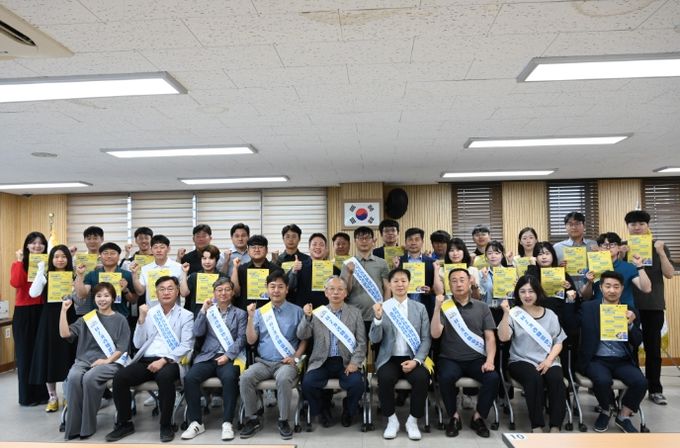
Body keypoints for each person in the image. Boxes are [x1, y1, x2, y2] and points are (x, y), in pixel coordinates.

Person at [105, 276, 194, 443]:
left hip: (171, 361)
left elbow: (186, 345)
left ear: (177, 292)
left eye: (170, 288)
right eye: (162, 289)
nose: (166, 292)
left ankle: (166, 425)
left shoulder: (186, 315)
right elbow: (138, 343)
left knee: (165, 377)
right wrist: (141, 320)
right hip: (146, 360)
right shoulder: (150, 313)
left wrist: (164, 360)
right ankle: (124, 423)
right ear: (156, 293)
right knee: (120, 378)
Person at [564, 271, 647, 433]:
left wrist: (630, 325)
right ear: (601, 288)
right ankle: (606, 409)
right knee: (602, 380)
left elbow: (637, 341)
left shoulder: (629, 310)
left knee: (641, 382)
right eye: (608, 286)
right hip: (596, 359)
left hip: (622, 360)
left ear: (622, 289)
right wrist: (570, 301)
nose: (612, 290)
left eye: (616, 287)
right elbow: (571, 326)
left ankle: (623, 415)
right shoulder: (588, 308)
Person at [239, 271, 307, 440]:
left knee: (283, 379)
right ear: (267, 289)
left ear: (287, 289)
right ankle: (252, 419)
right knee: (245, 377)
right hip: (263, 362)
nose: (276, 290)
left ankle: (283, 420)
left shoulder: (297, 311)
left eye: (280, 287)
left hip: (286, 363)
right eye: (272, 286)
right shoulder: (260, 312)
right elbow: (251, 340)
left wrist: (296, 357)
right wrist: (250, 318)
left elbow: (304, 340)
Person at [431, 268, 498, 438]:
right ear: (449, 285)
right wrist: (437, 309)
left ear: (470, 283)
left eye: (462, 280)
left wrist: (490, 360)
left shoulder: (482, 307)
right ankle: (454, 416)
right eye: (454, 281)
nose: (458, 284)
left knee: (492, 377)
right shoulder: (445, 306)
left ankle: (478, 417)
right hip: (450, 359)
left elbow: (490, 338)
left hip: (477, 359)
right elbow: (435, 334)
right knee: (445, 377)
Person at [60, 282, 130, 440]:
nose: (102, 299)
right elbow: (65, 334)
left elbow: (122, 348)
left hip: (112, 362)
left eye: (106, 296)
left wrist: (106, 361)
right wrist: (63, 311)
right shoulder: (88, 318)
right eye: (99, 296)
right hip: (84, 361)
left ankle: (87, 426)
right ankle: (73, 427)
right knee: (73, 377)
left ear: (113, 298)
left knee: (90, 378)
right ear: (94, 298)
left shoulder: (120, 319)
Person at [181, 278, 247, 441]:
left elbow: (241, 339)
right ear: (214, 293)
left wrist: (228, 355)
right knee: (190, 378)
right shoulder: (209, 311)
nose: (223, 293)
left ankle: (227, 423)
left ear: (232, 292)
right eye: (219, 290)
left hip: (229, 357)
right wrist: (203, 310)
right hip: (207, 356)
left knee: (230, 378)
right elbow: (197, 332)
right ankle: (196, 422)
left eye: (227, 289)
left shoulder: (240, 313)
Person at [498, 275, 566, 433]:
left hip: (548, 359)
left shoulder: (550, 314)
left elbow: (558, 342)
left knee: (556, 379)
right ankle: (537, 425)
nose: (527, 295)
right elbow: (503, 337)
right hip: (521, 360)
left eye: (531, 291)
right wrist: (506, 314)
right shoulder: (514, 313)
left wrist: (549, 361)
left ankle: (555, 426)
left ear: (538, 292)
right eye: (522, 291)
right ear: (517, 293)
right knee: (534, 378)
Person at [297, 276, 366, 429]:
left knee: (357, 384)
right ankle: (322, 409)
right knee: (308, 383)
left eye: (340, 289)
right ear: (326, 292)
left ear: (345, 293)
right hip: (322, 361)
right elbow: (302, 335)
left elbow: (361, 343)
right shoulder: (318, 313)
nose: (336, 292)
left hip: (346, 362)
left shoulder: (355, 313)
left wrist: (355, 362)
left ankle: (348, 410)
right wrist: (306, 318)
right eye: (332, 289)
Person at [371, 268, 431, 441]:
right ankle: (392, 420)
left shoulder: (420, 308)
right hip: (389, 358)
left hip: (413, 357)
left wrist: (417, 361)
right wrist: (378, 319)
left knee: (422, 378)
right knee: (384, 377)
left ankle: (413, 421)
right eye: (395, 281)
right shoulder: (383, 307)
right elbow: (374, 339)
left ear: (409, 284)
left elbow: (426, 338)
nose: (400, 284)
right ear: (389, 285)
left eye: (403, 281)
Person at [624, 210, 674, 405]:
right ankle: (633, 387)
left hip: (653, 305)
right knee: (630, 348)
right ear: (627, 227)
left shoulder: (659, 246)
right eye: (633, 224)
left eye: (641, 224)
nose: (637, 227)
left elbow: (669, 274)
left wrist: (661, 252)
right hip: (629, 306)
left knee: (653, 349)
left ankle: (655, 389)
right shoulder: (623, 247)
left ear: (647, 226)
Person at [29, 244, 77, 413]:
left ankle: (68, 396)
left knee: (68, 357)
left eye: (63, 256)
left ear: (68, 259)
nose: (60, 259)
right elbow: (33, 293)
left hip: (69, 317)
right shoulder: (45, 275)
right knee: (48, 357)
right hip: (49, 319)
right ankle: (52, 397)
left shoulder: (74, 275)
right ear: (51, 259)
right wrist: (40, 271)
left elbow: (80, 297)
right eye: (56, 256)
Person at [10, 231, 50, 406]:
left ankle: (42, 394)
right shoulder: (18, 263)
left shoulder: (47, 263)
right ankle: (26, 397)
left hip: (42, 310)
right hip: (24, 312)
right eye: (33, 243)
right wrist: (20, 261)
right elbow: (16, 283)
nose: (37, 246)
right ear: (27, 245)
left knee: (40, 353)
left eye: (40, 243)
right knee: (25, 354)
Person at [340, 226, 391, 338]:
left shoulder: (382, 263)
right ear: (355, 241)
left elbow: (387, 287)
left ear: (373, 241)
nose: (364, 241)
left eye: (367, 238)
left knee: (377, 345)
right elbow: (344, 292)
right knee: (358, 347)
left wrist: (385, 309)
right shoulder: (347, 264)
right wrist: (349, 274)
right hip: (354, 314)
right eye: (360, 238)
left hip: (377, 314)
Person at [582, 232, 652, 307]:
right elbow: (586, 297)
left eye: (612, 244)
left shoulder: (628, 267)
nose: (608, 247)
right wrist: (589, 282)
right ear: (599, 248)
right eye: (604, 245)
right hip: (600, 309)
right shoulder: (591, 268)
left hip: (625, 310)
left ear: (619, 248)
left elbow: (646, 289)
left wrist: (640, 266)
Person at [74, 242, 137, 317]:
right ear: (100, 256)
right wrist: (80, 275)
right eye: (105, 253)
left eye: (113, 253)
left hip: (121, 317)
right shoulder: (92, 274)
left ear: (118, 257)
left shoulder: (127, 275)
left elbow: (134, 301)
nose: (109, 256)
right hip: (97, 318)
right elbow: (82, 295)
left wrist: (125, 290)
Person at [288, 233, 340, 308]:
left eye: (321, 245)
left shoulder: (334, 269)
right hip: (303, 310)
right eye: (314, 244)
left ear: (326, 249)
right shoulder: (299, 266)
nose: (318, 247)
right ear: (309, 248)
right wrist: (294, 271)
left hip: (326, 310)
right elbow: (289, 287)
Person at [131, 234, 183, 307]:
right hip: (152, 310)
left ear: (168, 249)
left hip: (173, 310)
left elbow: (183, 293)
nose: (159, 250)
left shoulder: (178, 267)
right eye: (155, 247)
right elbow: (140, 292)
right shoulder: (145, 268)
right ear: (151, 249)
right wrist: (134, 274)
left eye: (162, 247)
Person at [395, 227, 436, 318]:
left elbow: (435, 288)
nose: (413, 243)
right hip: (403, 308)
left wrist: (430, 290)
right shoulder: (399, 262)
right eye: (410, 239)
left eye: (417, 239)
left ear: (422, 242)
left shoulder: (431, 262)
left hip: (425, 307)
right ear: (405, 242)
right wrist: (395, 268)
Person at [232, 234, 279, 310]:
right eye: (253, 247)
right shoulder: (242, 269)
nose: (257, 250)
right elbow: (235, 292)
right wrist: (235, 268)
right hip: (245, 311)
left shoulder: (276, 270)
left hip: (269, 311)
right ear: (248, 251)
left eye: (260, 247)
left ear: (267, 250)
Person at [553, 212, 597, 292]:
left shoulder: (594, 245)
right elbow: (551, 271)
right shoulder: (557, 247)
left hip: (591, 289)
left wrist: (600, 253)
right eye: (570, 224)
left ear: (584, 225)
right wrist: (558, 269)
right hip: (566, 290)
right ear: (565, 227)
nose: (574, 227)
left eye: (577, 223)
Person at [179, 244, 225, 315]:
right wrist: (184, 273)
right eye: (204, 258)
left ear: (216, 260)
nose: (207, 262)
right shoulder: (194, 276)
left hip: (217, 315)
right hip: (197, 315)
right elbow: (184, 293)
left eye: (211, 258)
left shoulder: (223, 277)